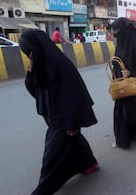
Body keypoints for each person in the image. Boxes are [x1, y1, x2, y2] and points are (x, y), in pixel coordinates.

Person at [18, 30, 99, 195]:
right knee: (74, 143)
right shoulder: (41, 65)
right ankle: (88, 163)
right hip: (54, 116)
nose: (29, 55)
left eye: (29, 52)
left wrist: (72, 122)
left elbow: (74, 95)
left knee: (52, 157)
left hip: (64, 120)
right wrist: (31, 69)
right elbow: (34, 89)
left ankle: (42, 191)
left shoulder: (60, 65)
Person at [110, 17, 136, 149]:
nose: (115, 34)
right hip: (122, 84)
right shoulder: (120, 45)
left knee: (131, 113)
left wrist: (131, 73)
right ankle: (122, 138)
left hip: (134, 84)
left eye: (118, 31)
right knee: (120, 112)